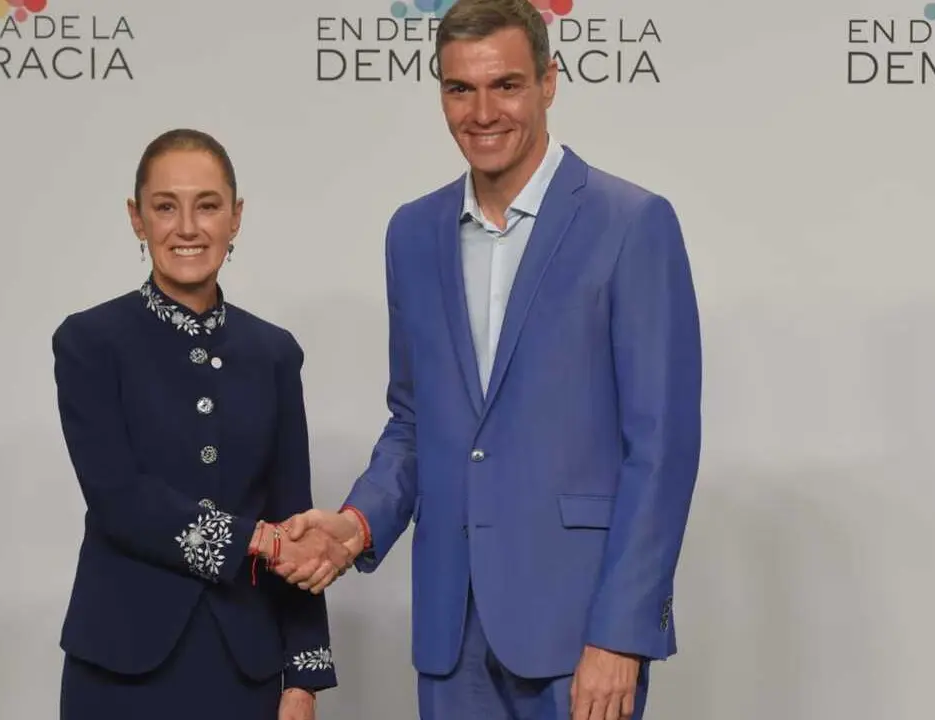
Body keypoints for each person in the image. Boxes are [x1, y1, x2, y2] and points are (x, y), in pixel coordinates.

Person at [282, 1, 702, 718]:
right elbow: (415, 423)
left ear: (549, 82)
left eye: (505, 85)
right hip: (452, 634)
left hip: (580, 637)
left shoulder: (632, 224)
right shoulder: (412, 234)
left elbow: (661, 449)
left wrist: (622, 636)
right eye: (459, 89)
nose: (482, 112)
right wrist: (357, 524)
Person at [51, 128, 346, 720]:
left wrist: (304, 677)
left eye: (207, 206)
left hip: (247, 667)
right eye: (166, 207)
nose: (187, 228)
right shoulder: (89, 342)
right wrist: (252, 539)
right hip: (120, 665)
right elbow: (118, 498)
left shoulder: (274, 353)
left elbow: (294, 512)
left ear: (235, 219)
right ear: (137, 219)